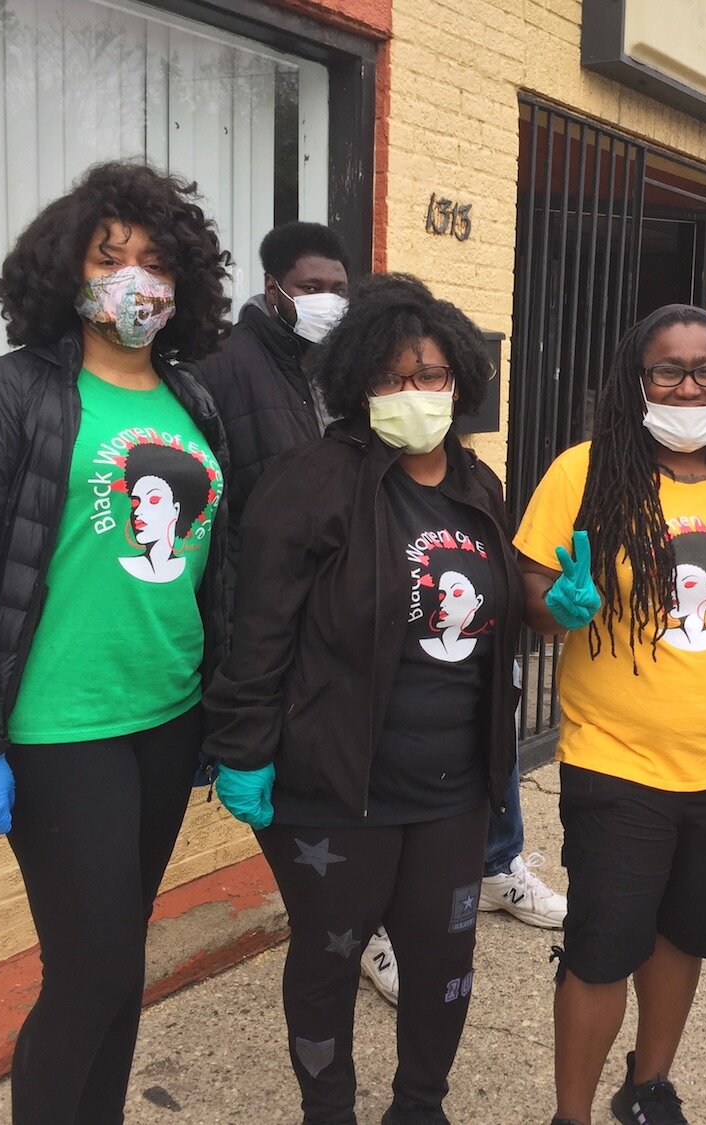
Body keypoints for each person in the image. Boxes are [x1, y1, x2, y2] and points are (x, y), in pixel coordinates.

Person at [0, 161, 232, 1123]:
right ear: (69, 271)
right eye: (112, 257)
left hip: (164, 718)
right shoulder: (13, 393)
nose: (136, 279)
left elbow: (207, 567)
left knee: (119, 961)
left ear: (183, 287)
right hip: (61, 730)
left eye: (156, 262)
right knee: (89, 972)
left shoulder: (192, 400)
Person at [189, 224, 564, 1010]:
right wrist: (246, 746)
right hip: (340, 789)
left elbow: (482, 622)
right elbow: (261, 630)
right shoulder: (309, 483)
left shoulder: (478, 483)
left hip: (454, 792)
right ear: (359, 383)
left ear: (459, 381)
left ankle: (421, 1104)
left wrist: (545, 611)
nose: (415, 392)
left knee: (444, 968)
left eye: (431, 376)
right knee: (328, 969)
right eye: (394, 379)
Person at [515, 304, 706, 1125]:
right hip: (618, 759)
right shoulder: (587, 469)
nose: (688, 385)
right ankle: (571, 1115)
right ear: (635, 380)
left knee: (685, 933)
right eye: (667, 370)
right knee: (604, 946)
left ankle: (648, 1086)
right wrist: (555, 608)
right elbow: (531, 587)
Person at [190, 221, 349, 528]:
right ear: (272, 289)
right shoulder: (216, 365)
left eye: (338, 291)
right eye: (311, 289)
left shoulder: (349, 365)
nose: (328, 302)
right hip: (251, 568)